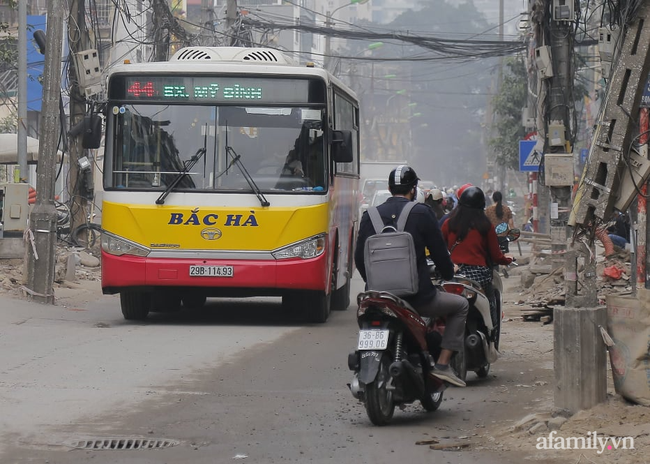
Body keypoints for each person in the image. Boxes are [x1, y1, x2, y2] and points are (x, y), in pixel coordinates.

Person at [355, 165, 469, 387]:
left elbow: (360, 258)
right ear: (414, 188)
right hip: (419, 298)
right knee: (461, 305)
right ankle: (443, 365)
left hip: (378, 297)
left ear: (389, 188)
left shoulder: (370, 216)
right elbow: (439, 253)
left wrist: (373, 283)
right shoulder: (422, 213)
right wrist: (448, 274)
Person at [441, 187, 513, 328]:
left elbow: (439, 248)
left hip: (453, 274)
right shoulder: (485, 226)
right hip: (478, 276)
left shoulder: (448, 224)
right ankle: (492, 329)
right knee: (491, 300)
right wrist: (508, 259)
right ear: (481, 206)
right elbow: (496, 256)